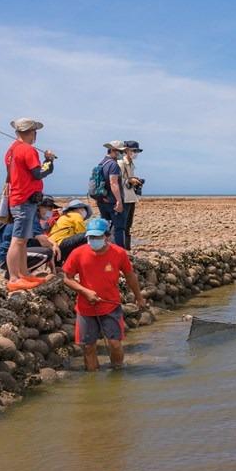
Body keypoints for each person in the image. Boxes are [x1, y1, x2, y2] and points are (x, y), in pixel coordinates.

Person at [61, 217, 147, 371]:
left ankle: (118, 373)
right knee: (88, 347)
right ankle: (93, 379)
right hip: (86, 308)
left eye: (97, 237)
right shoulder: (77, 253)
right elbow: (67, 279)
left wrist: (139, 297)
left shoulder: (119, 253)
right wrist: (85, 291)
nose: (93, 240)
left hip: (110, 305)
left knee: (114, 344)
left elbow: (130, 275)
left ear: (107, 236)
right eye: (91, 237)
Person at [3, 118, 56, 291]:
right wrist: (49, 161)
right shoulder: (27, 149)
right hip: (24, 199)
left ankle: (23, 274)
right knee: (18, 240)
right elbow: (38, 173)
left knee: (23, 240)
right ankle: (13, 278)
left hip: (19, 197)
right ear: (32, 133)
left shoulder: (11, 150)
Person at [91, 141, 126, 247]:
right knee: (119, 227)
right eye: (120, 152)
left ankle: (104, 247)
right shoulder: (113, 164)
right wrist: (119, 201)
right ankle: (120, 251)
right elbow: (113, 183)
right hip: (112, 201)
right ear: (113, 151)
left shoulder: (101, 163)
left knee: (105, 226)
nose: (122, 154)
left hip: (102, 200)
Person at [118, 140, 144, 250]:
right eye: (134, 151)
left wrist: (135, 180)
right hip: (124, 197)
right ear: (127, 151)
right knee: (121, 225)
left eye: (137, 151)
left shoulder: (131, 164)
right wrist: (130, 181)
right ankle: (121, 248)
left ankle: (127, 248)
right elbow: (116, 180)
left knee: (128, 224)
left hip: (131, 197)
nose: (136, 153)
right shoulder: (121, 163)